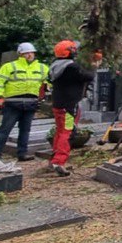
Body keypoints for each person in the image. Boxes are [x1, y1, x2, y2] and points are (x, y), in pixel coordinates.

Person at [45, 40, 100, 176]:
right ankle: (59, 162)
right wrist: (94, 65)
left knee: (60, 131)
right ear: (70, 52)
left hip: (59, 105)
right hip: (69, 107)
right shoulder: (71, 68)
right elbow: (89, 76)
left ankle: (53, 161)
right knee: (67, 132)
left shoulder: (56, 65)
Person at [0, 42, 50, 161]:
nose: (29, 55)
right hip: (13, 103)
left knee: (25, 130)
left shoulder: (42, 68)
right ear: (20, 54)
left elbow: (50, 81)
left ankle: (22, 153)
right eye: (26, 53)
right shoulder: (9, 66)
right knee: (5, 129)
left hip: (31, 102)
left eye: (31, 52)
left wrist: (48, 87)